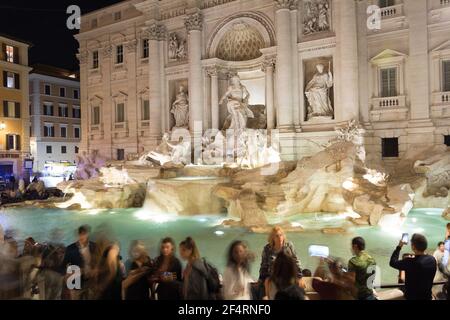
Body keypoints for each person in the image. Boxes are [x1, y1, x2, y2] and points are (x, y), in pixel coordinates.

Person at [389, 233, 437, 300]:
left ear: (413, 247)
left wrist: (399, 246)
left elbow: (392, 262)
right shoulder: (432, 259)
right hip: (427, 297)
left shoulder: (410, 262)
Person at [62, 225, 97, 300]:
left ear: (88, 234)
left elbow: (98, 262)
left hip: (91, 281)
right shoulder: (70, 248)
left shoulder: (94, 246)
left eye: (84, 234)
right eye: (80, 234)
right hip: (75, 281)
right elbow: (64, 265)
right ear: (78, 235)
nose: (82, 236)